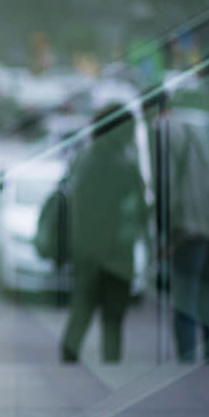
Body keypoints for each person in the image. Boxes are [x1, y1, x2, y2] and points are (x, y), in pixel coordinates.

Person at [60, 103, 149, 363]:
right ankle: (109, 366)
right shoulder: (126, 165)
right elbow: (139, 211)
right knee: (113, 320)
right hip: (117, 253)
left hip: (86, 250)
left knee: (81, 312)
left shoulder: (83, 159)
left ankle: (68, 366)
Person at [159, 88, 209, 363]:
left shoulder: (166, 132)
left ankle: (186, 356)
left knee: (185, 293)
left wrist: (162, 233)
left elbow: (166, 184)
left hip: (189, 226)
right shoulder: (203, 134)